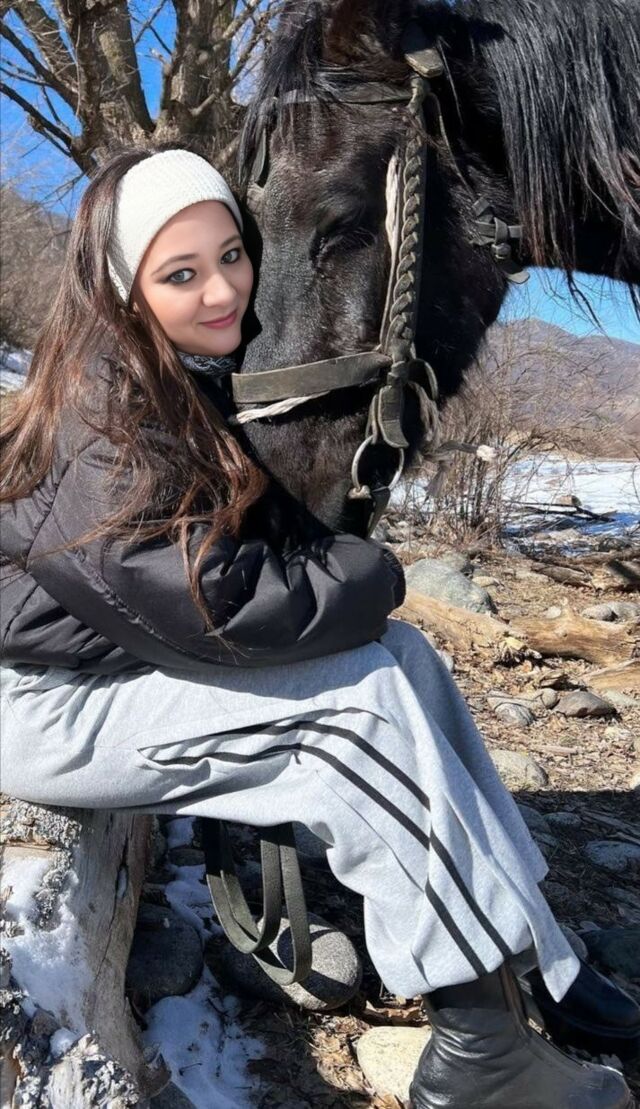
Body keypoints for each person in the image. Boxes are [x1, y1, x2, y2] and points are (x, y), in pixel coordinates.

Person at [0, 148, 635, 1109]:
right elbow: (211, 608)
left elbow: (259, 544)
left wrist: (361, 589)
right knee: (349, 723)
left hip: (117, 661)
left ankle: (534, 953)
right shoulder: (104, 411)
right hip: (49, 705)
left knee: (403, 657)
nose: (222, 290)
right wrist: (377, 575)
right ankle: (483, 1050)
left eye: (231, 255)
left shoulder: (176, 373)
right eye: (181, 273)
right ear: (124, 288)